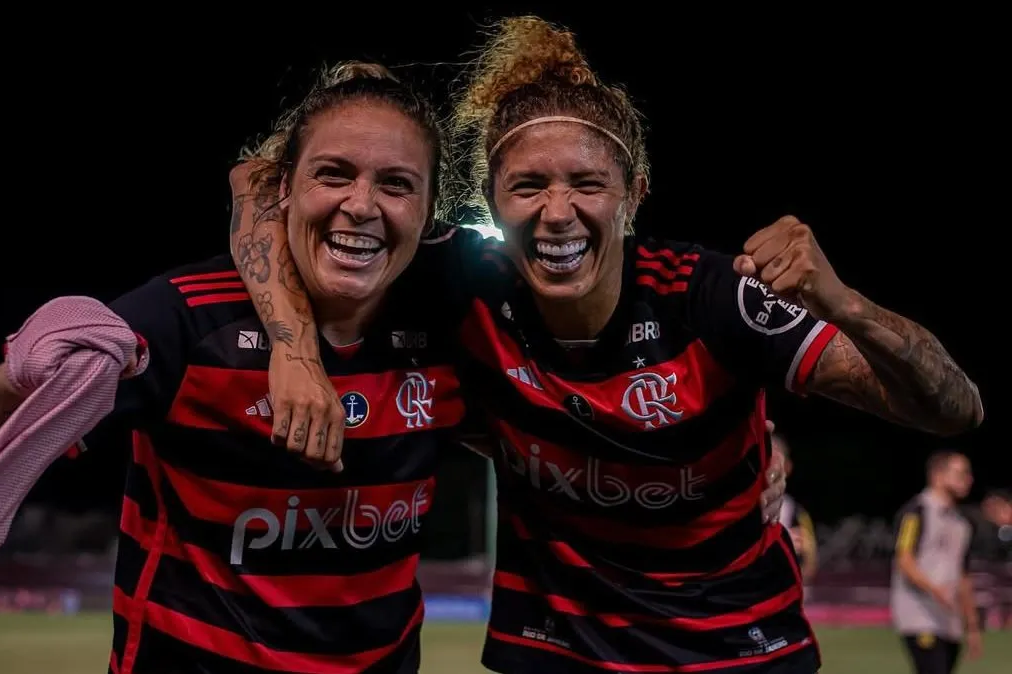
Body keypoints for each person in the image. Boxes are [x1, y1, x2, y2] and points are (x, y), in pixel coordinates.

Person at [235, 16, 982, 673]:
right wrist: (293, 350)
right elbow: (258, 182)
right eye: (527, 187)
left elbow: (952, 409)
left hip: (736, 649)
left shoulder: (714, 295)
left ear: (635, 193)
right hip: (557, 649)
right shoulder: (464, 281)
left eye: (587, 185)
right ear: (489, 198)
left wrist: (844, 303)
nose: (557, 213)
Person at [0, 61, 471, 674]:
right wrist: (12, 380)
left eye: (397, 184)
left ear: (432, 212)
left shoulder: (450, 327)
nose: (361, 204)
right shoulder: (186, 319)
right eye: (333, 174)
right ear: (284, 190)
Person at [892, 451, 983, 674]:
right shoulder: (916, 511)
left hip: (949, 621)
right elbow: (904, 559)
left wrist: (972, 626)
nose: (968, 479)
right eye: (961, 473)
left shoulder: (962, 523)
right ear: (938, 476)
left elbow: (963, 575)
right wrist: (934, 590)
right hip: (920, 615)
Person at [771, 430, 819, 585]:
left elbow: (810, 567)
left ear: (788, 467)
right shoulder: (736, 508)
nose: (770, 468)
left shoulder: (797, 513)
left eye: (776, 461)